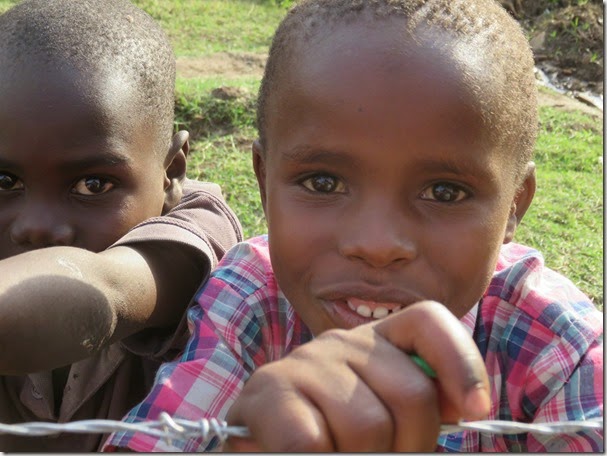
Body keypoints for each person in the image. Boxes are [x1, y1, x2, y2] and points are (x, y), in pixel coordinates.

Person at [104, 0, 604, 452]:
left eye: (444, 192)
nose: (376, 245)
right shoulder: (253, 297)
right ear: (264, 182)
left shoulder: (558, 349)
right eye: (323, 183)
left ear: (515, 205)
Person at [0, 0, 243, 451]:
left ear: (170, 173)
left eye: (93, 184)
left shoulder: (195, 235)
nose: (36, 227)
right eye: (4, 181)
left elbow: (102, 291)